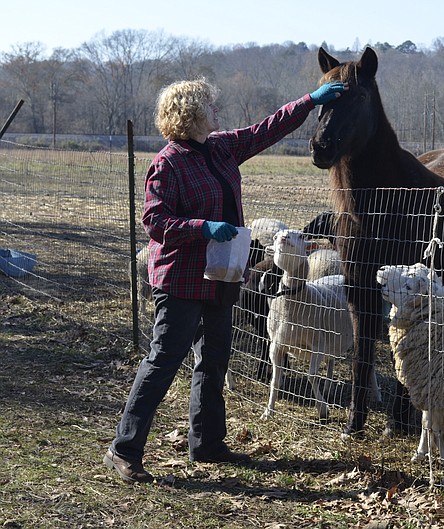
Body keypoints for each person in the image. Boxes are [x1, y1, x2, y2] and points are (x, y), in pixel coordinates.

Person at [103, 77, 347, 484]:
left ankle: (208, 443)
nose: (217, 113)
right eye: (210, 107)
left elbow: (268, 128)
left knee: (214, 360)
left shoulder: (220, 148)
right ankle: (123, 448)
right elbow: (155, 221)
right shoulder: (169, 162)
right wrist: (201, 227)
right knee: (163, 360)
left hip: (220, 277)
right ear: (192, 113)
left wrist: (309, 101)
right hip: (181, 280)